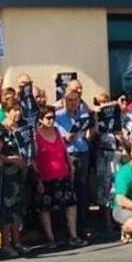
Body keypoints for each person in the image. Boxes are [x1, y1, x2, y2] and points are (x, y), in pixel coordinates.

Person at [34, 106, 85, 248]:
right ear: (41, 119)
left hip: (63, 174)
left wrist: (71, 167)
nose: (51, 121)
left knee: (71, 204)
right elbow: (33, 159)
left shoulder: (57, 131)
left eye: (53, 118)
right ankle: (50, 238)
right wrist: (38, 179)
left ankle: (73, 235)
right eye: (48, 118)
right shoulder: (36, 136)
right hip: (46, 177)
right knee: (45, 208)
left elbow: (65, 152)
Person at [0, 100, 31, 257]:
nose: (17, 113)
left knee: (17, 211)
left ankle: (17, 242)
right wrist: (11, 160)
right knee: (7, 211)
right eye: (14, 110)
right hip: (7, 175)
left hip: (19, 174)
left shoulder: (20, 130)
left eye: (19, 110)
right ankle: (6, 244)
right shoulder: (2, 130)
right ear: (7, 112)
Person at [55, 90, 93, 236]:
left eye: (75, 100)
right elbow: (57, 138)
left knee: (82, 190)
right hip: (68, 154)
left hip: (83, 152)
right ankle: (66, 228)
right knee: (67, 191)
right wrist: (67, 138)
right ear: (64, 101)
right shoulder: (58, 116)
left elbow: (88, 134)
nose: (73, 103)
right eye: (70, 100)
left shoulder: (82, 115)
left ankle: (83, 225)